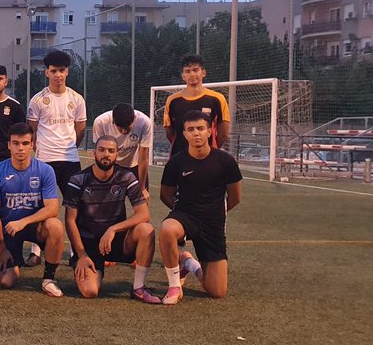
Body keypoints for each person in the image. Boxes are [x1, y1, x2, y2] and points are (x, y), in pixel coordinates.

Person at [157, 110, 243, 305]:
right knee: (167, 229)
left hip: (213, 225)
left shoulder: (225, 161)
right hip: (186, 217)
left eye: (200, 128)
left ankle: (188, 263)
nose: (196, 133)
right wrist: (181, 213)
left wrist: (214, 211)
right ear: (184, 134)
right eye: (190, 129)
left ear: (209, 132)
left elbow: (235, 197)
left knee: (217, 291)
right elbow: (165, 194)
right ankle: (174, 286)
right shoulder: (176, 162)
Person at [64, 136, 161, 303]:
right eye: (101, 150)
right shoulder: (78, 180)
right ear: (94, 153)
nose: (106, 154)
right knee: (90, 291)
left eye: (111, 151)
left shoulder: (126, 177)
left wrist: (113, 229)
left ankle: (138, 288)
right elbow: (70, 221)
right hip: (89, 246)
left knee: (146, 229)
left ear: (117, 154)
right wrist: (81, 254)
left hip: (116, 242)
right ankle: (89, 268)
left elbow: (143, 214)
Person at [0, 123, 66, 297]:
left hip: (33, 226)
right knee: (5, 282)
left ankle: (49, 279)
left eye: (25, 143)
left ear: (32, 144)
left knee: (55, 226)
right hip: (9, 230)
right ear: (8, 145)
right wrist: (0, 246)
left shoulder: (45, 171)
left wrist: (23, 222)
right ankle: (13, 261)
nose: (20, 148)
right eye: (15, 143)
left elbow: (52, 209)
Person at [27, 50, 87, 195]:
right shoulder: (37, 100)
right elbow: (31, 131)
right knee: (40, 202)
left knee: (75, 203)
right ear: (47, 72)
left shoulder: (77, 99)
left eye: (62, 70)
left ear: (67, 72)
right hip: (44, 159)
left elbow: (80, 130)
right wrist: (40, 149)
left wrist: (71, 147)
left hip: (70, 159)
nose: (58, 75)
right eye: (54, 71)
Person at [163, 55, 231, 156]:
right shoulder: (172, 101)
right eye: (187, 71)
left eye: (195, 70)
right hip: (179, 157)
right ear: (183, 76)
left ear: (203, 72)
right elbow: (170, 133)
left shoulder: (217, 99)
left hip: (208, 158)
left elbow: (223, 134)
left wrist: (209, 149)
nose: (192, 74)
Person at [92, 103, 154, 194]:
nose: (124, 132)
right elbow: (100, 155)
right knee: (108, 200)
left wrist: (142, 188)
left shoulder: (144, 122)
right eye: (120, 128)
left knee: (142, 199)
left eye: (128, 128)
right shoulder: (101, 122)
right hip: (112, 165)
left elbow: (143, 157)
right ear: (113, 121)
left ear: (134, 119)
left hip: (135, 164)